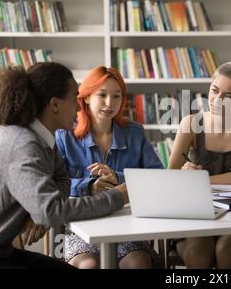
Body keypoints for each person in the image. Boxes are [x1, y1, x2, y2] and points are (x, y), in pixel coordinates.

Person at [0, 62, 128, 269]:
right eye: (74, 99)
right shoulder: (23, 144)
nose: (80, 107)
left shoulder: (41, 137)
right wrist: (118, 196)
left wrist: (36, 208)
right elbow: (51, 211)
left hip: (0, 252)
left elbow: (61, 180)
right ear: (54, 105)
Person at [55, 66, 163, 269]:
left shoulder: (134, 133)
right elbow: (53, 184)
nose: (109, 103)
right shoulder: (64, 135)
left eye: (116, 96)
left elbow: (158, 178)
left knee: (138, 263)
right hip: (79, 227)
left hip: (128, 227)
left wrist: (119, 178)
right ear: (86, 97)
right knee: (88, 265)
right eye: (102, 95)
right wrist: (89, 186)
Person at [167, 62, 231, 268]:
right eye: (214, 91)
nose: (217, 100)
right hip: (195, 214)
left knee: (225, 250)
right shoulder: (191, 123)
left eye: (228, 96)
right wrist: (183, 173)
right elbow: (170, 178)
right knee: (198, 252)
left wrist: (199, 180)